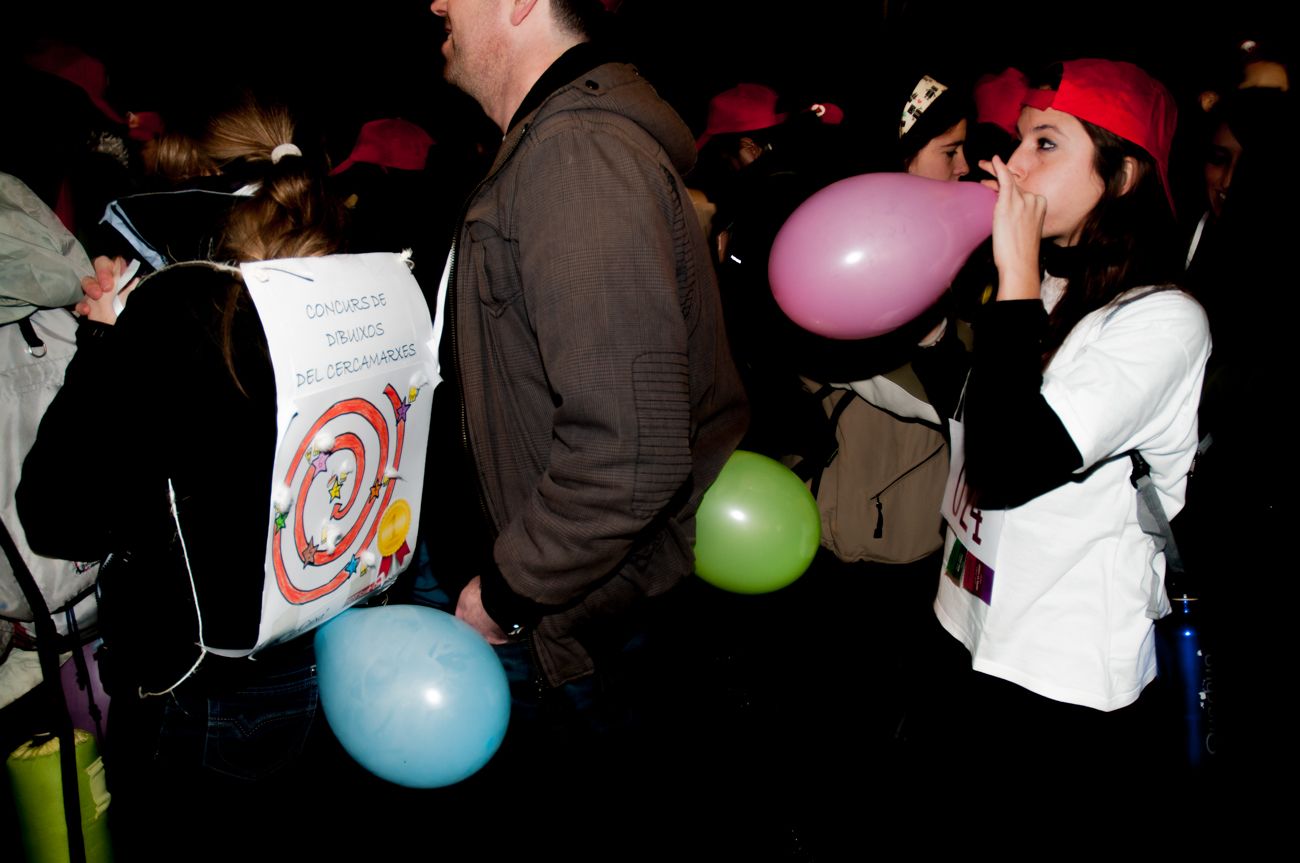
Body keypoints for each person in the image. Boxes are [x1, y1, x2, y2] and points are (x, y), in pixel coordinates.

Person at [16, 102, 351, 854]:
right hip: (318, 649)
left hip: (202, 684)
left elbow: (56, 514)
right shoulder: (342, 310)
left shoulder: (183, 337)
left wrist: (105, 345)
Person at [426, 0, 745, 696]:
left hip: (555, 624)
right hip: (551, 605)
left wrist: (505, 594)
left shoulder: (575, 155)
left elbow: (628, 455)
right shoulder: (550, 144)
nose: (439, 4)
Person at [929, 59, 1210, 781]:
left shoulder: (1162, 321)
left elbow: (1010, 462)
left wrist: (1015, 280)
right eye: (1019, 139)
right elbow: (974, 420)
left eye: (1046, 144)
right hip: (969, 613)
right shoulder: (1046, 280)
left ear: (1122, 177)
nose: (1014, 165)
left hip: (1060, 671)